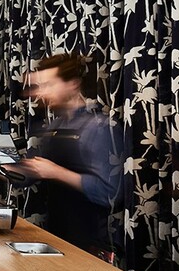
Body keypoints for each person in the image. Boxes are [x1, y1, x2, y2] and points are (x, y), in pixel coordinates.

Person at [13, 54, 121, 260]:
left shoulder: (99, 128)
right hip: (57, 237)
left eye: (49, 85)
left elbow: (109, 192)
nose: (42, 93)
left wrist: (56, 172)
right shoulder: (55, 126)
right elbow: (30, 175)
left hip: (90, 244)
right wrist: (2, 168)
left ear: (72, 85)